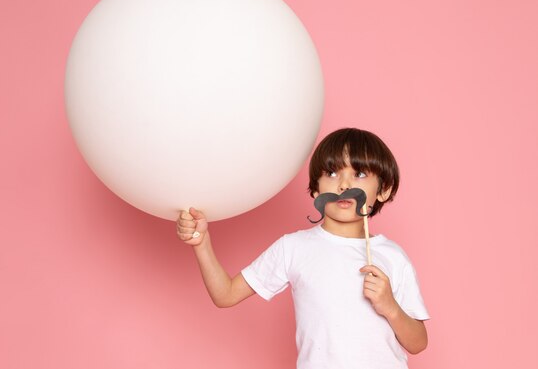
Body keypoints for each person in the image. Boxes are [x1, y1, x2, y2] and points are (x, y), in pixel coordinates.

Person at [176, 128, 429, 369]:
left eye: (359, 174)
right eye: (331, 173)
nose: (343, 185)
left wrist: (390, 306)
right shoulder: (294, 248)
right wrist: (202, 242)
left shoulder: (393, 256)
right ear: (316, 187)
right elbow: (225, 294)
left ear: (383, 190)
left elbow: (418, 343)